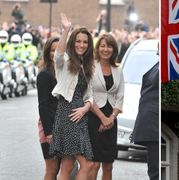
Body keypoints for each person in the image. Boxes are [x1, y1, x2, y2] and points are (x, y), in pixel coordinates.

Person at [49, 13, 94, 180]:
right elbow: (58, 55)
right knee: (86, 164)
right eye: (78, 41)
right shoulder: (65, 61)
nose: (81, 45)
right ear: (72, 42)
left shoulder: (88, 65)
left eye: (85, 42)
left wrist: (86, 108)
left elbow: (90, 95)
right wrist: (67, 29)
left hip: (80, 113)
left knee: (67, 165)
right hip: (68, 112)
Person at [88, 33, 124, 180]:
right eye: (102, 46)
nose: (106, 49)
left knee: (108, 165)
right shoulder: (90, 67)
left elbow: (120, 96)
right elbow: (87, 95)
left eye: (109, 46)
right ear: (98, 48)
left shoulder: (118, 69)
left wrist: (111, 118)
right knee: (94, 164)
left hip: (112, 118)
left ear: (113, 49)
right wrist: (103, 118)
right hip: (94, 116)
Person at [36, 37, 60, 180]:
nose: (56, 53)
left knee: (63, 167)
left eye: (59, 50)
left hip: (64, 125)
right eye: (53, 50)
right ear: (47, 52)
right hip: (49, 126)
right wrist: (49, 132)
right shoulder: (44, 75)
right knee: (52, 168)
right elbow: (43, 105)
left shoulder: (66, 72)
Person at [131, 60, 159, 180]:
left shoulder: (165, 64)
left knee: (155, 168)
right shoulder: (157, 65)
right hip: (151, 122)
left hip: (155, 122)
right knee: (153, 167)